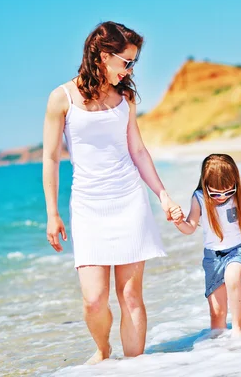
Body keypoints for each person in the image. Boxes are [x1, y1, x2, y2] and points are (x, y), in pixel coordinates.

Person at [42, 21, 182, 364]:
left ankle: (135, 368)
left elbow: (138, 151)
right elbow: (50, 158)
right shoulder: (62, 98)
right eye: (127, 62)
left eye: (133, 63)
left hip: (129, 200)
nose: (131, 69)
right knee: (93, 299)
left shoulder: (126, 97)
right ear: (103, 56)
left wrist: (162, 194)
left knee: (130, 294)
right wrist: (52, 213)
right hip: (88, 205)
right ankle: (103, 351)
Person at [170, 154, 241, 337]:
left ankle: (238, 331)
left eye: (228, 191)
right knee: (217, 314)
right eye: (216, 193)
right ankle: (219, 352)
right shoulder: (199, 198)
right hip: (212, 258)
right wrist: (178, 221)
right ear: (205, 185)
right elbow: (189, 227)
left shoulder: (240, 194)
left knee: (232, 276)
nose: (222, 197)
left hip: (238, 250)